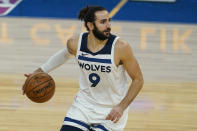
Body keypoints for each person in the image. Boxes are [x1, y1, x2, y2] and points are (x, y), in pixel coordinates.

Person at [22, 6, 144, 131]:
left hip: (112, 110)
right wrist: (38, 72)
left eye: (109, 20)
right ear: (90, 25)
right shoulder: (76, 43)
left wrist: (121, 107)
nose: (108, 26)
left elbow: (138, 80)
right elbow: (64, 54)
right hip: (84, 106)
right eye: (103, 22)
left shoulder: (120, 47)